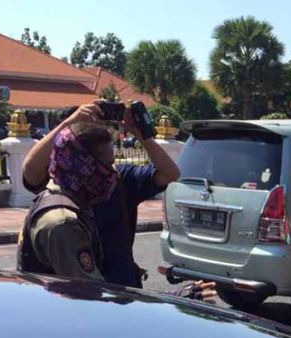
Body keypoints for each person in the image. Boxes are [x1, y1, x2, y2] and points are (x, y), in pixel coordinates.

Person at [22, 100, 181, 288]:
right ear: (82, 165)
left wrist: (140, 134)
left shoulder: (120, 181)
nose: (111, 171)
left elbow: (170, 174)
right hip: (99, 298)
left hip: (124, 291)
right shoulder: (61, 217)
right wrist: (71, 122)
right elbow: (30, 171)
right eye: (105, 164)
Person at [17, 122, 115, 281]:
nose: (114, 172)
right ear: (85, 167)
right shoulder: (63, 223)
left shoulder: (56, 198)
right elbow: (88, 290)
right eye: (108, 165)